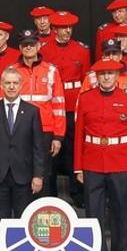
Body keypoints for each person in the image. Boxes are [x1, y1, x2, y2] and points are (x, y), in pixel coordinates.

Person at [74, 60, 127, 251]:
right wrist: (78, 166)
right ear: (96, 76)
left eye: (110, 73)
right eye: (102, 74)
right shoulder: (85, 98)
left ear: (117, 75)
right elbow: (78, 136)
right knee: (93, 214)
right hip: (92, 162)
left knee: (120, 214)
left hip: (120, 162)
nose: (106, 77)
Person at [0, 66, 45, 231]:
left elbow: (38, 147)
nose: (11, 86)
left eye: (15, 83)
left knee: (23, 222)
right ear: (1, 85)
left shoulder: (32, 112)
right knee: (0, 221)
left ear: (21, 85)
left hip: (24, 176)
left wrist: (38, 175)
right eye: (7, 83)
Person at [39, 11, 90, 206]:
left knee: (74, 152)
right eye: (62, 28)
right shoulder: (44, 49)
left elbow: (86, 83)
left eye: (69, 27)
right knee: (49, 154)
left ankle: (77, 193)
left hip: (74, 107)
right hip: (51, 108)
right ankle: (49, 195)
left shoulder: (82, 50)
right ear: (54, 29)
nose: (67, 31)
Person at [11, 30, 66, 197]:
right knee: (20, 170)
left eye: (32, 44)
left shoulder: (51, 71)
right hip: (19, 130)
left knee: (44, 173)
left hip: (45, 130)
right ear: (20, 48)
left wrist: (58, 136)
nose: (29, 47)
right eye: (25, 44)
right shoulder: (12, 71)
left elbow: (59, 104)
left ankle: (42, 212)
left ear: (39, 46)